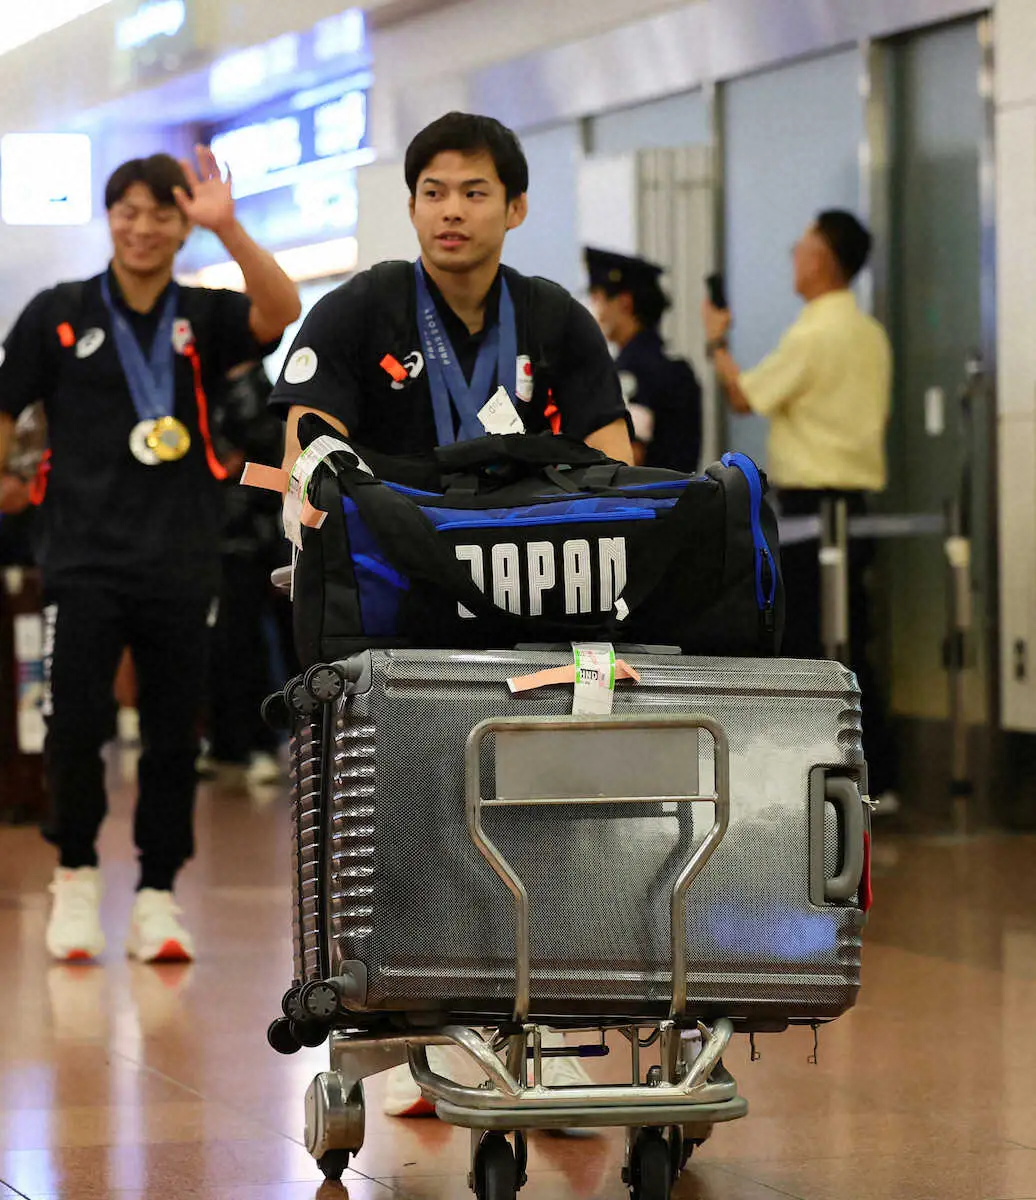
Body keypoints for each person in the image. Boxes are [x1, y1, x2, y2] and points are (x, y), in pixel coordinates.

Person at [269, 110, 633, 1118]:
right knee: (413, 812)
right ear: (413, 205)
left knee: (548, 809)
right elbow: (309, 452)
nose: (451, 212)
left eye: (474, 192)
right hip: (398, 611)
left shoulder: (553, 318)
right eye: (432, 191)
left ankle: (550, 1027)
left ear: (514, 207)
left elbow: (617, 462)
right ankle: (417, 1025)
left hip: (532, 606)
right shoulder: (360, 312)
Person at [0, 148, 300, 964]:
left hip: (181, 557)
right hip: (80, 559)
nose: (142, 226)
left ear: (179, 225)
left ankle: (158, 895)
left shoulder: (202, 316)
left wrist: (229, 228)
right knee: (76, 725)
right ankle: (75, 877)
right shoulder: (58, 312)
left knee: (174, 735)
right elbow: (6, 402)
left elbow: (281, 309)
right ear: (110, 219)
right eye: (127, 210)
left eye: (160, 213)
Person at [702, 209, 897, 804]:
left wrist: (716, 339)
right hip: (858, 507)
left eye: (801, 245)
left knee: (809, 641)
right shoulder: (870, 333)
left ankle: (815, 785)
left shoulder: (814, 333)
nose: (793, 255)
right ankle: (877, 777)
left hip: (814, 512)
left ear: (821, 258)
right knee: (858, 638)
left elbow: (743, 396)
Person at [586, 247, 702, 473]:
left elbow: (626, 458)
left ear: (624, 303)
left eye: (598, 299)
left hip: (645, 505)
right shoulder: (671, 365)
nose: (594, 311)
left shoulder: (634, 370)